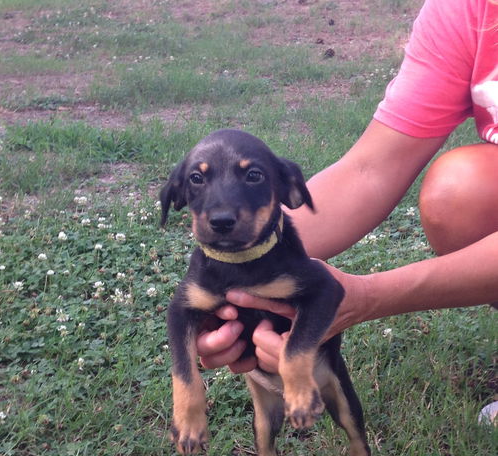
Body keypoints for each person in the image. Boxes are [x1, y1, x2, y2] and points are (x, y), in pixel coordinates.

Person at [196, 0, 498, 419]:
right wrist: (233, 267)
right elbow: (370, 170)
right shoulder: (469, 8)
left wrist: (368, 296)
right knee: (461, 193)